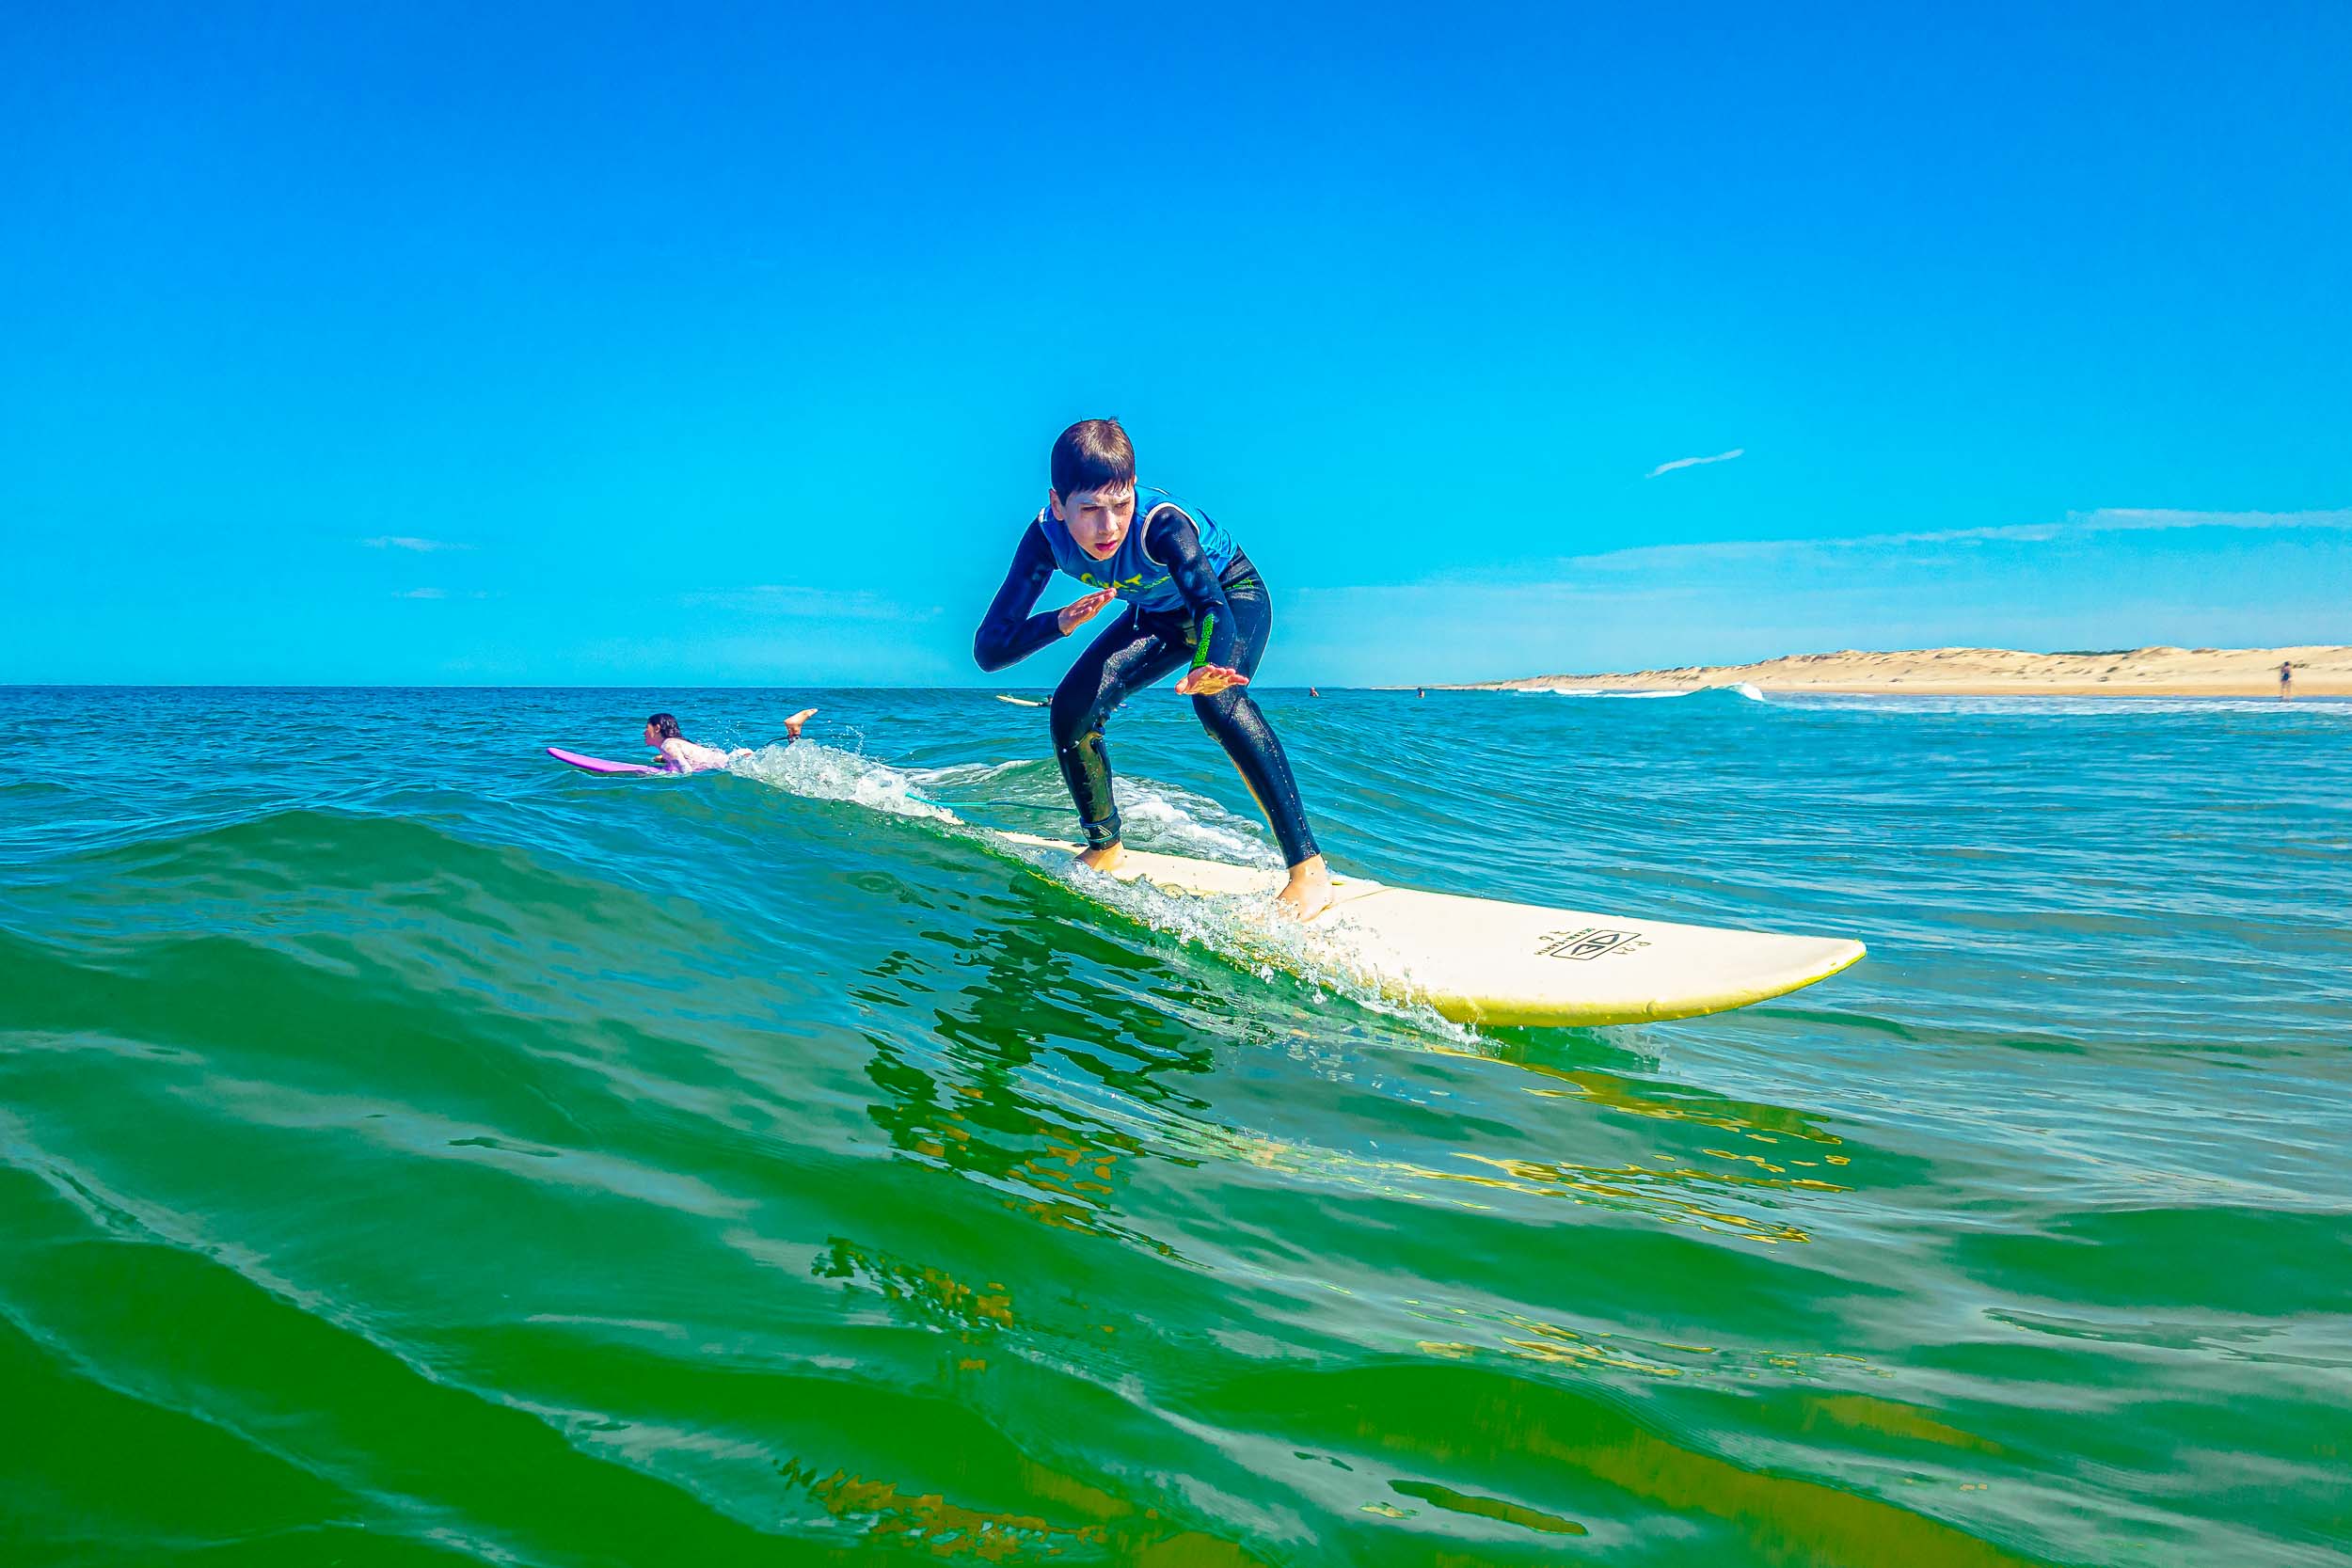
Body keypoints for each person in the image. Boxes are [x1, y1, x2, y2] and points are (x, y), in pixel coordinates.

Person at [974, 419, 1333, 919]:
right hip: (1158, 615)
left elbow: (1211, 607)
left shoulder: (1161, 526)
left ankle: (1309, 873)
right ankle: (1105, 847)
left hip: (1232, 596)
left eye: (1121, 504)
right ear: (1058, 504)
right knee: (1071, 710)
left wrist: (1209, 662)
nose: (1109, 527)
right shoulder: (1045, 540)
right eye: (1090, 509)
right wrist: (1058, 623)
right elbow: (991, 649)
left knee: (1218, 702)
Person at [644, 708, 815, 773]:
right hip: (736, 758)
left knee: (791, 768)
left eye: (647, 727)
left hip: (735, 764)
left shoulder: (668, 745)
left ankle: (794, 730)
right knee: (790, 765)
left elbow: (686, 772)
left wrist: (656, 775)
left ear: (657, 728)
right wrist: (663, 760)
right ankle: (794, 731)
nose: (644, 732)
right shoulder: (676, 744)